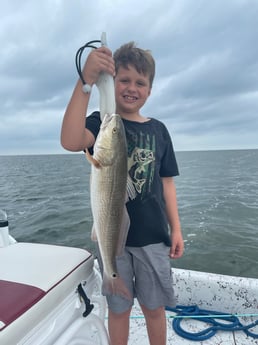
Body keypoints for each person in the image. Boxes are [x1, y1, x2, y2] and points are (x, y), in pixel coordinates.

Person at [61, 41, 184, 345]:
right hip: (112, 238)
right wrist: (86, 81)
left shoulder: (159, 130)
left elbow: (167, 182)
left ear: (150, 90)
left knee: (154, 310)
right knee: (119, 310)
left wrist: (177, 229)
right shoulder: (104, 122)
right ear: (111, 83)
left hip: (154, 238)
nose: (131, 88)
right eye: (124, 80)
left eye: (140, 82)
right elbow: (70, 140)